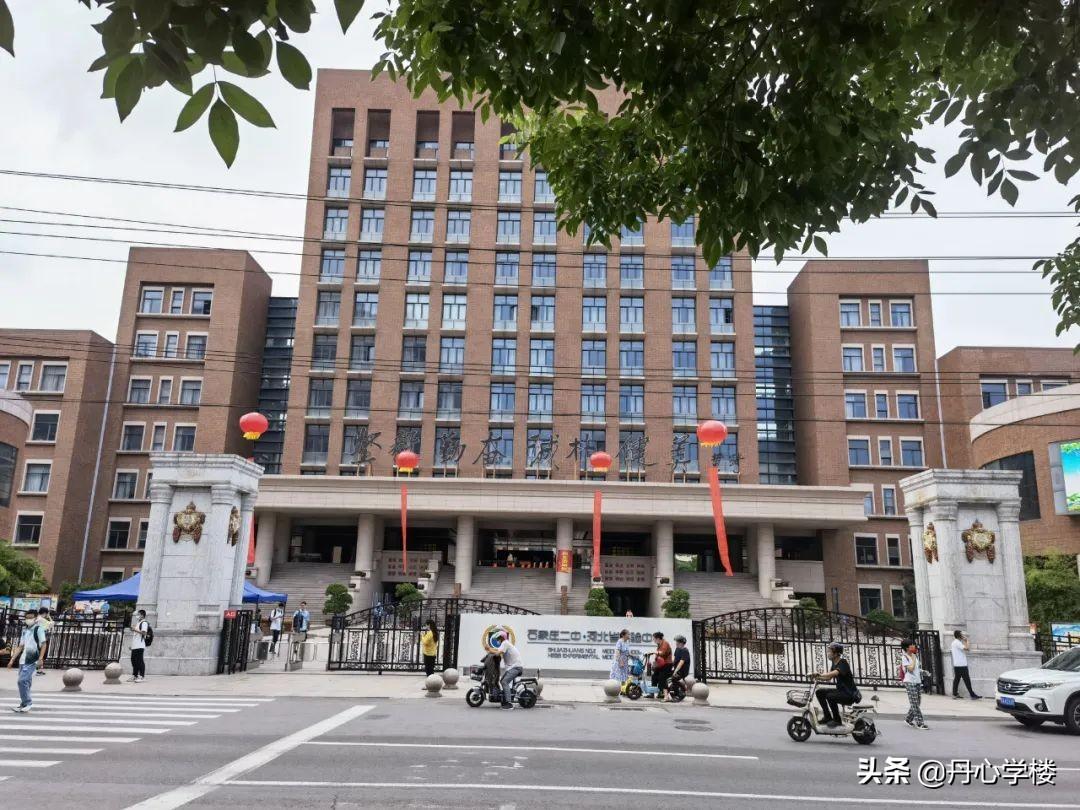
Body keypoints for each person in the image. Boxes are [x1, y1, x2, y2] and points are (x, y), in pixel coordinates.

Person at [7, 609, 47, 712]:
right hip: (23, 660)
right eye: (27, 618)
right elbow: (20, 646)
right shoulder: (25, 630)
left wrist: (40, 658)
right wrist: (12, 660)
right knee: (26, 682)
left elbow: (44, 644)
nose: (28, 620)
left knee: (22, 681)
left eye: (31, 618)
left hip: (32, 660)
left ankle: (28, 702)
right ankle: (24, 704)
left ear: (36, 618)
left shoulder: (39, 629)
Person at [815, 641, 860, 728]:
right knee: (819, 692)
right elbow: (828, 677)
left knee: (830, 696)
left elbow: (835, 673)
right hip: (841, 691)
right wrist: (817, 678)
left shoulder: (843, 662)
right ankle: (827, 717)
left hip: (849, 694)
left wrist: (819, 674)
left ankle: (837, 720)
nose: (827, 653)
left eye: (829, 652)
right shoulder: (834, 663)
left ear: (835, 654)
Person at [902, 641, 928, 730]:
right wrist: (913, 658)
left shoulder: (914, 656)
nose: (914, 646)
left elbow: (916, 668)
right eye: (911, 645)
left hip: (917, 681)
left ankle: (908, 719)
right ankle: (920, 723)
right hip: (909, 682)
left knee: (917, 702)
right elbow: (910, 669)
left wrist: (923, 672)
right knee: (915, 703)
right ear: (907, 648)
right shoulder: (905, 657)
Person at [494, 633, 523, 709]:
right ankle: (505, 698)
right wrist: (490, 651)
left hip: (516, 667)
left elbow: (497, 653)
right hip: (512, 667)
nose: (498, 640)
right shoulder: (505, 644)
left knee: (504, 682)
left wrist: (489, 650)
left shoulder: (505, 643)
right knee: (502, 681)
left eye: (498, 638)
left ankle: (509, 703)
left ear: (502, 638)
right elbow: (497, 651)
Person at [950, 630, 981, 700]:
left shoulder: (954, 642)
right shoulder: (957, 643)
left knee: (957, 679)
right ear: (959, 636)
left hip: (957, 664)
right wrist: (967, 641)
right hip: (961, 665)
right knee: (967, 680)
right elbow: (967, 648)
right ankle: (972, 695)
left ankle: (955, 694)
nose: (963, 636)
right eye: (961, 634)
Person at [649, 631, 673, 699]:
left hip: (667, 664)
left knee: (662, 678)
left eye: (654, 639)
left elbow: (663, 653)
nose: (653, 640)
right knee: (654, 676)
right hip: (661, 664)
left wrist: (655, 652)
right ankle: (652, 693)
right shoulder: (659, 644)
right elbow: (658, 656)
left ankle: (663, 694)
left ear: (658, 638)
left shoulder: (665, 643)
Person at [130, 609, 149, 682]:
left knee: (140, 661)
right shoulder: (138, 623)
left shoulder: (144, 623)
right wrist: (132, 645)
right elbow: (136, 635)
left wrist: (134, 629)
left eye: (138, 614)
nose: (137, 616)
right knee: (134, 660)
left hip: (140, 645)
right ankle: (135, 675)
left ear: (142, 615)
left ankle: (142, 676)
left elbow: (144, 633)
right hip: (135, 645)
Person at [669, 634, 691, 699]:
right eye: (676, 642)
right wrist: (669, 667)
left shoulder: (685, 651)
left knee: (674, 678)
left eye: (677, 642)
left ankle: (677, 694)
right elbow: (675, 660)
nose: (676, 643)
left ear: (681, 643)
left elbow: (681, 662)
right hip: (677, 669)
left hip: (682, 671)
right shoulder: (677, 649)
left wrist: (675, 671)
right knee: (665, 674)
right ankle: (663, 692)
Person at [35, 607, 53, 675]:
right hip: (40, 639)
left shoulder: (37, 618)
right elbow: (51, 624)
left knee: (38, 654)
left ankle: (39, 670)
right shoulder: (41, 620)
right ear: (45, 613)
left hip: (35, 639)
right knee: (40, 655)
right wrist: (49, 617)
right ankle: (38, 670)